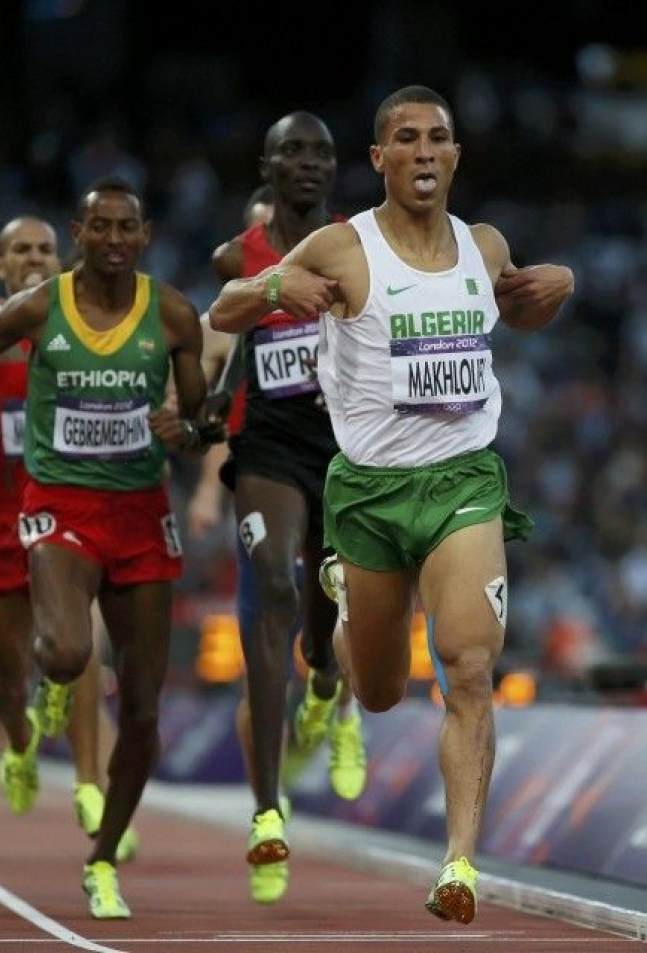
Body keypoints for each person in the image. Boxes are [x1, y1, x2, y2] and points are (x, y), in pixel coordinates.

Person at [208, 85, 574, 925]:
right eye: (404, 138)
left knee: (471, 668)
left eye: (436, 138)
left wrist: (561, 281)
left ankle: (459, 865)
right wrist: (271, 291)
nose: (421, 150)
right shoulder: (343, 247)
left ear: (454, 156)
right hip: (369, 492)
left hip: (463, 483)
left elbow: (519, 304)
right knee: (375, 690)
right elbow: (224, 309)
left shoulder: (486, 247)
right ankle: (338, 621)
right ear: (380, 159)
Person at [0, 178, 213, 920]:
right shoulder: (40, 307)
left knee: (144, 710)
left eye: (127, 228)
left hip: (141, 512)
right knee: (62, 653)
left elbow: (198, 420)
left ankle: (103, 856)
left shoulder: (173, 312)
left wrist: (189, 428)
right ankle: (51, 690)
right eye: (99, 227)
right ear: (79, 235)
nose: (114, 240)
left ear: (143, 234)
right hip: (56, 505)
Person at [0, 216, 137, 861]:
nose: (34, 258)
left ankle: (92, 785)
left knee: (86, 648)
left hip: (69, 518)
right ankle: (17, 744)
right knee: (6, 678)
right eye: (20, 250)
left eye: (44, 248)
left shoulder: (81, 320)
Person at [209, 114, 368, 905]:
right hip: (268, 448)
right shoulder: (238, 255)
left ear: (336, 169)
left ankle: (329, 684)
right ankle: (267, 810)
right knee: (272, 586)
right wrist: (207, 401)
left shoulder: (357, 246)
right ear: (268, 166)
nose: (308, 163)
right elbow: (229, 335)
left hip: (343, 447)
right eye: (293, 151)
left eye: (321, 153)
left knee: (323, 613)